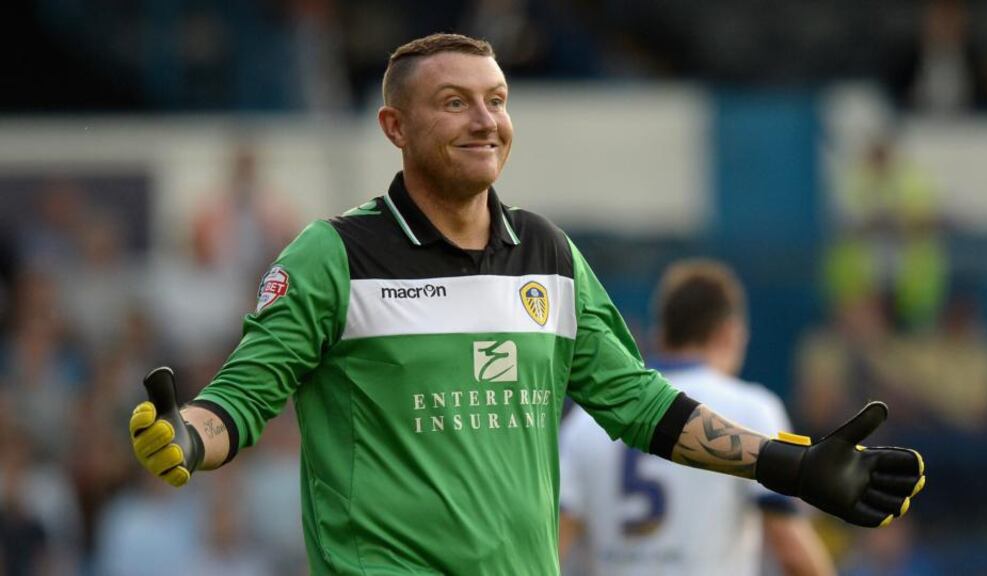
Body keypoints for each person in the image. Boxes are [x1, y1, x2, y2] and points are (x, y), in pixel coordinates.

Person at [128, 33, 925, 575]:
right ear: (394, 126)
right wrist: (188, 440)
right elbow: (241, 399)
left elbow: (638, 403)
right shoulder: (334, 255)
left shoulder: (545, 252)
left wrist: (790, 463)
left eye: (498, 99)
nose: (486, 121)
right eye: (455, 102)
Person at [559, 260, 836, 576]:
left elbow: (555, 542)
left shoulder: (587, 420)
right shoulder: (751, 409)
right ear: (730, 333)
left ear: (661, 333)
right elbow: (791, 550)